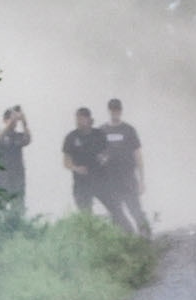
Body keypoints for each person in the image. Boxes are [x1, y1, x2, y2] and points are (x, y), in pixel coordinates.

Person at [98, 99, 150, 235]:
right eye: (112, 110)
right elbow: (96, 155)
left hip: (128, 178)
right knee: (115, 213)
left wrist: (142, 180)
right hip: (110, 180)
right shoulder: (101, 131)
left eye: (117, 110)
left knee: (135, 209)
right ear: (109, 111)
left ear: (121, 111)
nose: (115, 113)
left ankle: (146, 238)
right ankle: (125, 241)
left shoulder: (129, 130)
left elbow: (138, 155)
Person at [58, 100, 105, 223]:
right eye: (77, 119)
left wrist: (104, 158)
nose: (78, 121)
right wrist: (75, 168)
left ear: (89, 119)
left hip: (99, 178)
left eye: (81, 118)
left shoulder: (98, 134)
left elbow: (107, 152)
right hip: (81, 182)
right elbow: (65, 162)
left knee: (113, 205)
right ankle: (91, 233)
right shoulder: (71, 137)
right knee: (85, 211)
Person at [0, 104, 32, 216]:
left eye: (14, 119)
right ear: (4, 120)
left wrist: (24, 122)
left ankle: (18, 227)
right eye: (9, 118)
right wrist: (10, 122)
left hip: (17, 175)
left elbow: (27, 140)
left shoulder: (17, 136)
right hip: (1, 176)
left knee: (18, 205)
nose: (13, 122)